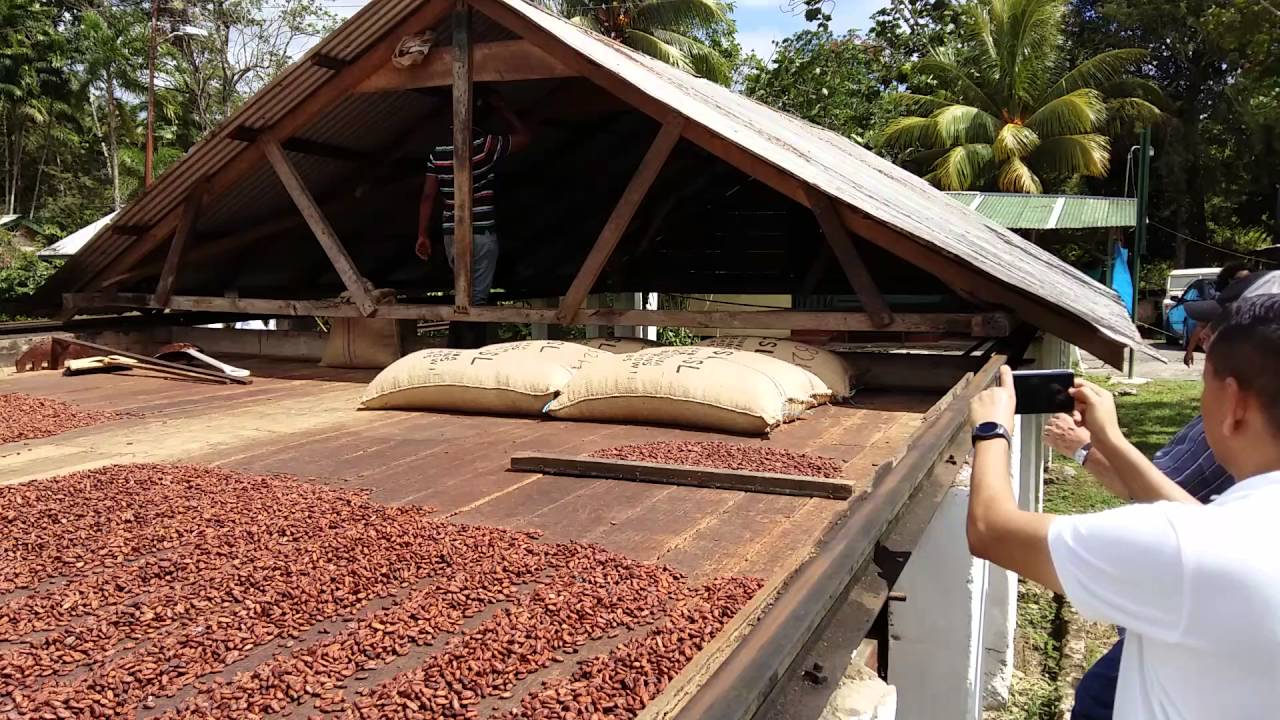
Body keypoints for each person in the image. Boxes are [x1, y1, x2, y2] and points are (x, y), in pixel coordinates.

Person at [966, 294, 1280, 719]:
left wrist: (991, 428)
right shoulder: (1232, 533)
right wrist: (1110, 440)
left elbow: (991, 529)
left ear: (1235, 404)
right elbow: (1198, 523)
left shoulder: (1187, 549)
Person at [417, 90, 531, 347]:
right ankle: (469, 352)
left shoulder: (438, 154)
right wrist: (505, 110)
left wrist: (422, 234)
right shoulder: (485, 146)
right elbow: (525, 137)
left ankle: (454, 349)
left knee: (461, 293)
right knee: (477, 300)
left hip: (452, 234)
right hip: (481, 232)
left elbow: (427, 196)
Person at [1182, 262, 1250, 367]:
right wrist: (1189, 351)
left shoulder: (1260, 302)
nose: (1244, 283)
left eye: (1248, 279)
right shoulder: (1219, 303)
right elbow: (1200, 326)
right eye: (1239, 280)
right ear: (1230, 281)